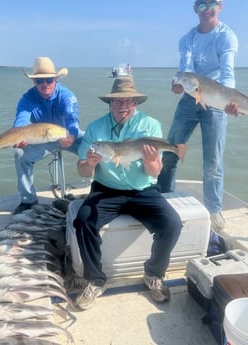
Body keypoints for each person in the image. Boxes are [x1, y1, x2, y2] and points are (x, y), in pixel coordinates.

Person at [73, 77, 183, 310]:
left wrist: (152, 161)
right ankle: (95, 280)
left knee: (172, 223)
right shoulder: (95, 128)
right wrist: (91, 164)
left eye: (129, 101)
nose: (123, 105)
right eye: (117, 101)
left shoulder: (150, 125)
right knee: (83, 221)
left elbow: (154, 171)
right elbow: (82, 170)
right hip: (106, 190)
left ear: (135, 102)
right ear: (110, 104)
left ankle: (154, 274)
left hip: (142, 189)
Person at [157, 0, 239, 232]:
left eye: (211, 4)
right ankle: (163, 198)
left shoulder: (226, 36)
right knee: (171, 150)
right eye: (201, 5)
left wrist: (228, 101)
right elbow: (184, 69)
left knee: (213, 161)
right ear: (195, 9)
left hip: (216, 99)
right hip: (189, 98)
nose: (207, 10)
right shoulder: (187, 39)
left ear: (220, 6)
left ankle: (214, 210)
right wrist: (177, 83)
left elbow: (227, 72)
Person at [13, 57, 83, 215]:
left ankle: (101, 191)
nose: (45, 84)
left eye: (49, 80)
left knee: (97, 148)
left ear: (56, 79)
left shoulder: (67, 96)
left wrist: (71, 136)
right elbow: (21, 121)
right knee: (20, 155)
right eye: (39, 80)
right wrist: (18, 138)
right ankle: (28, 200)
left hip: (68, 135)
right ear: (34, 82)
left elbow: (73, 121)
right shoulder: (27, 98)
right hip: (43, 139)